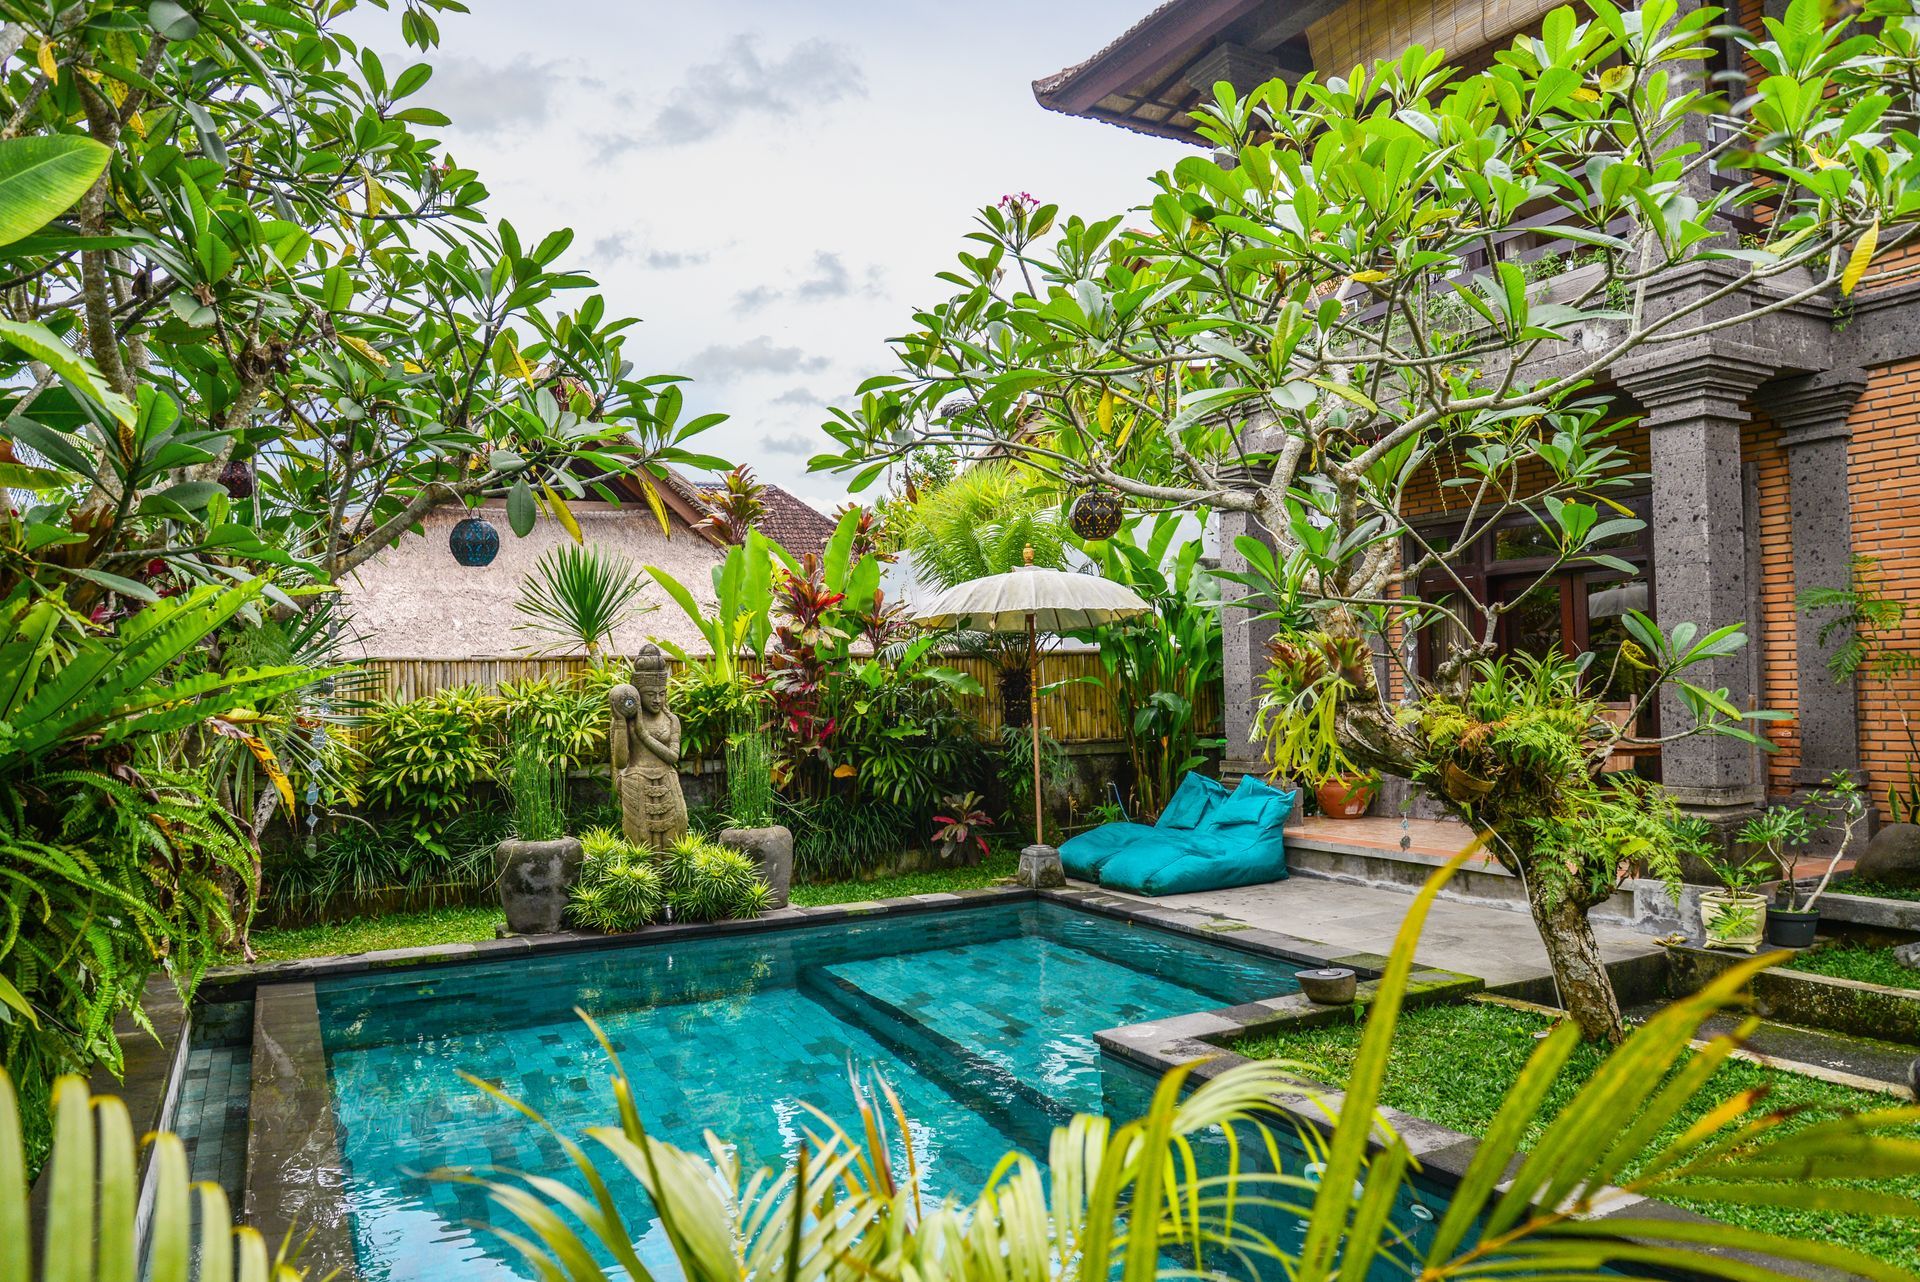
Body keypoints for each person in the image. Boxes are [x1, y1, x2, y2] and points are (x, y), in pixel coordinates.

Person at [608, 643, 687, 848]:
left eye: (662, 693)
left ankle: (672, 880)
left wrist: (643, 734)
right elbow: (620, 760)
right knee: (640, 840)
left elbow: (673, 757)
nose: (657, 699)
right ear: (637, 694)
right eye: (651, 694)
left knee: (676, 834)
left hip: (667, 779)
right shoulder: (627, 721)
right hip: (636, 781)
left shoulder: (672, 720)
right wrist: (619, 722)